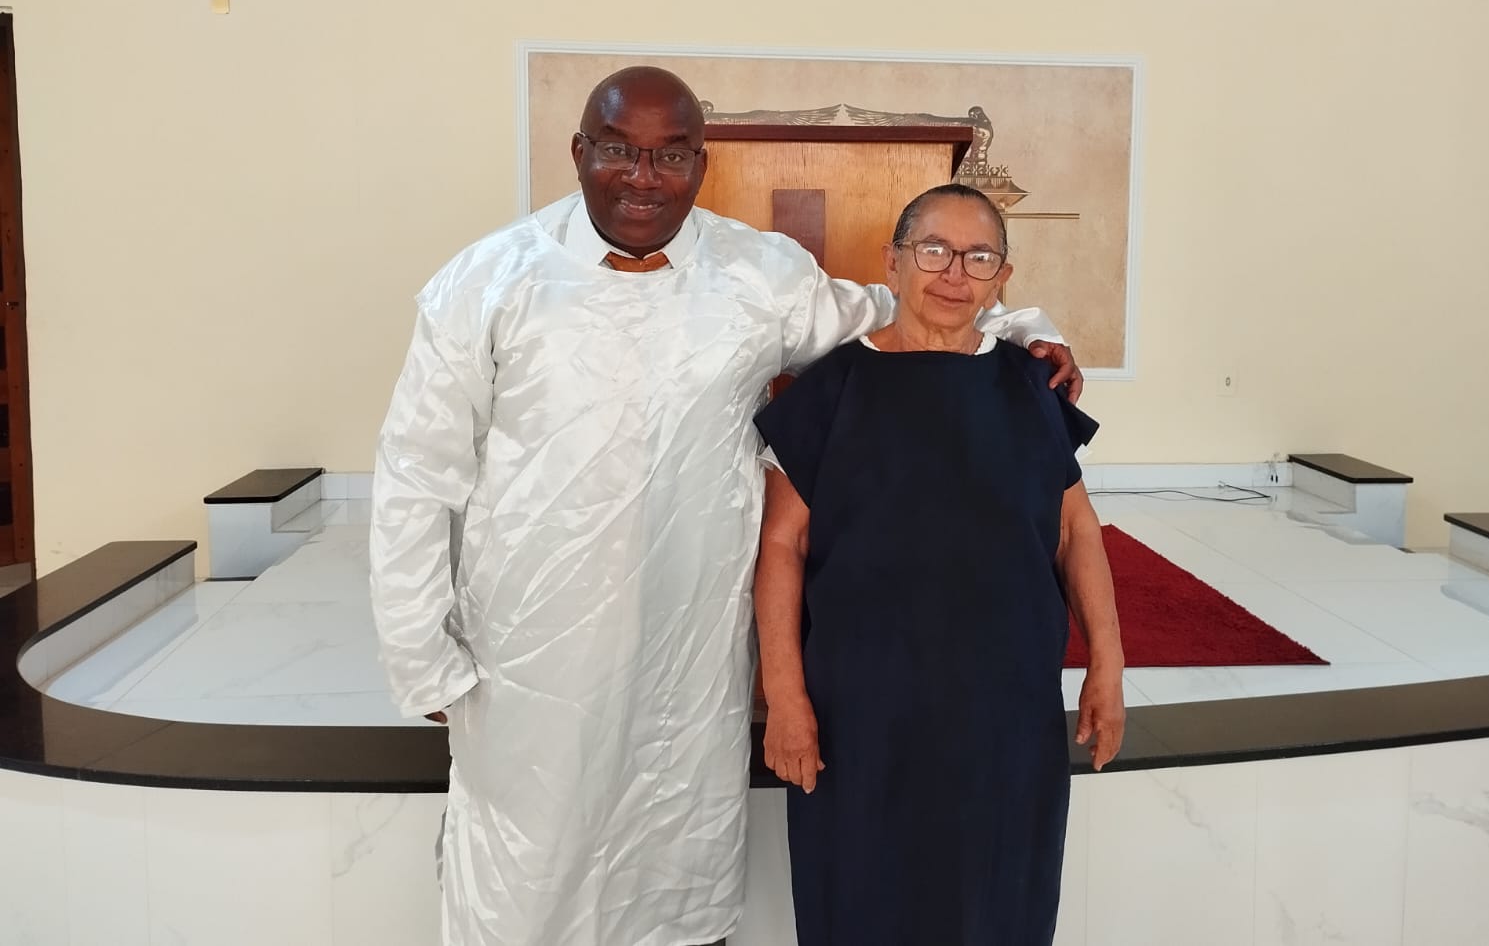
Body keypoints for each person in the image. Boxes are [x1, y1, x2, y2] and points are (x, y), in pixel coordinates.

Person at [368, 67, 1082, 946]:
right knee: (529, 874)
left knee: (676, 869)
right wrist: (421, 654)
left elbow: (886, 321)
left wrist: (1023, 333)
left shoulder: (757, 272)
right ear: (580, 153)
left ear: (700, 164)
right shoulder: (486, 284)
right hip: (537, 647)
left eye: (671, 155)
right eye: (621, 151)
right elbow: (415, 474)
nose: (644, 176)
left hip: (691, 647)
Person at [753, 182, 1125, 946]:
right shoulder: (832, 388)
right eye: (934, 251)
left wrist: (1108, 669)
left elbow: (1076, 532)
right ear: (893, 263)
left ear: (1002, 279)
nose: (954, 273)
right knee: (861, 898)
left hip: (1004, 708)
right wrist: (785, 697)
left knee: (998, 905)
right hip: (864, 711)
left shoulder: (1032, 387)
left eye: (978, 256)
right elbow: (782, 547)